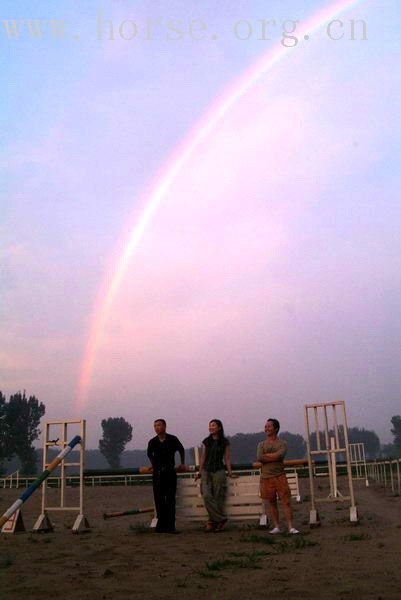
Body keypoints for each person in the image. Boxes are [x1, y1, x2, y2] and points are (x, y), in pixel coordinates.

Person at [257, 418, 299, 534]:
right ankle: (277, 527)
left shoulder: (282, 443)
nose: (266, 428)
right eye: (265, 426)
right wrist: (273, 456)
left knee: (286, 501)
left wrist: (267, 456)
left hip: (280, 476)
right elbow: (259, 457)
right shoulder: (261, 444)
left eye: (269, 426)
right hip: (266, 477)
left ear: (275, 429)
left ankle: (291, 527)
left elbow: (280, 455)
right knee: (271, 502)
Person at [196, 419, 236, 532]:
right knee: (207, 495)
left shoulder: (225, 442)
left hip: (219, 470)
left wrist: (230, 472)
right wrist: (199, 472)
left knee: (218, 496)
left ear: (219, 427)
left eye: (213, 425)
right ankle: (221, 519)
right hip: (206, 471)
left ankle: (213, 522)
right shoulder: (206, 441)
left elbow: (227, 458)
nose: (211, 427)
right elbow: (203, 457)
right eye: (210, 426)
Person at [147, 419, 185, 534]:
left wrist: (182, 463)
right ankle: (161, 525)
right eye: (155, 426)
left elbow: (181, 449)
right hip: (157, 474)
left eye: (158, 425)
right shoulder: (152, 442)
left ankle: (171, 526)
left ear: (164, 426)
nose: (156, 428)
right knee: (159, 500)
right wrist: (153, 465)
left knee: (170, 500)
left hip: (169, 473)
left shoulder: (172, 439)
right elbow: (149, 454)